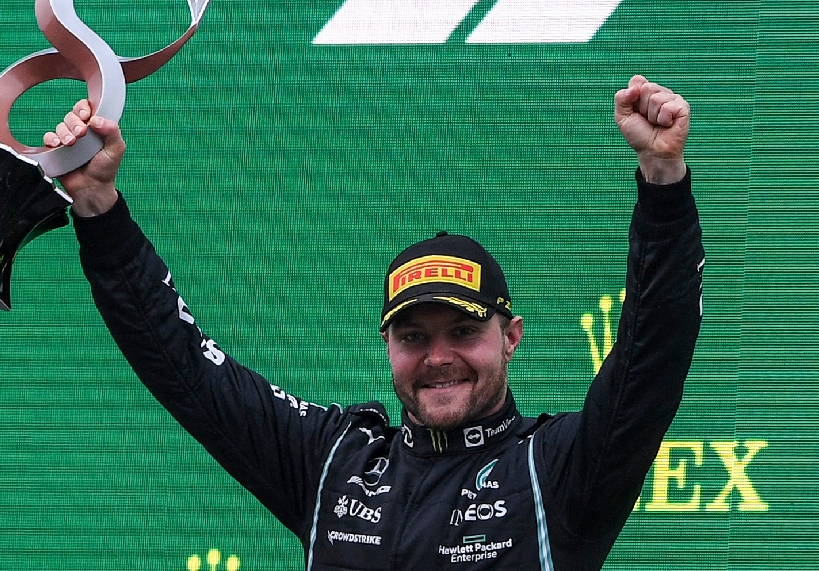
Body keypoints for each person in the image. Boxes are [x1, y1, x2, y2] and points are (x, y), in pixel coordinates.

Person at [45, 75, 703, 570]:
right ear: (387, 344)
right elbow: (183, 365)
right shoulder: (336, 461)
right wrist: (99, 207)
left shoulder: (555, 468)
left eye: (463, 331)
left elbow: (653, 353)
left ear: (510, 338)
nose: (438, 357)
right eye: (414, 336)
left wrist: (663, 181)